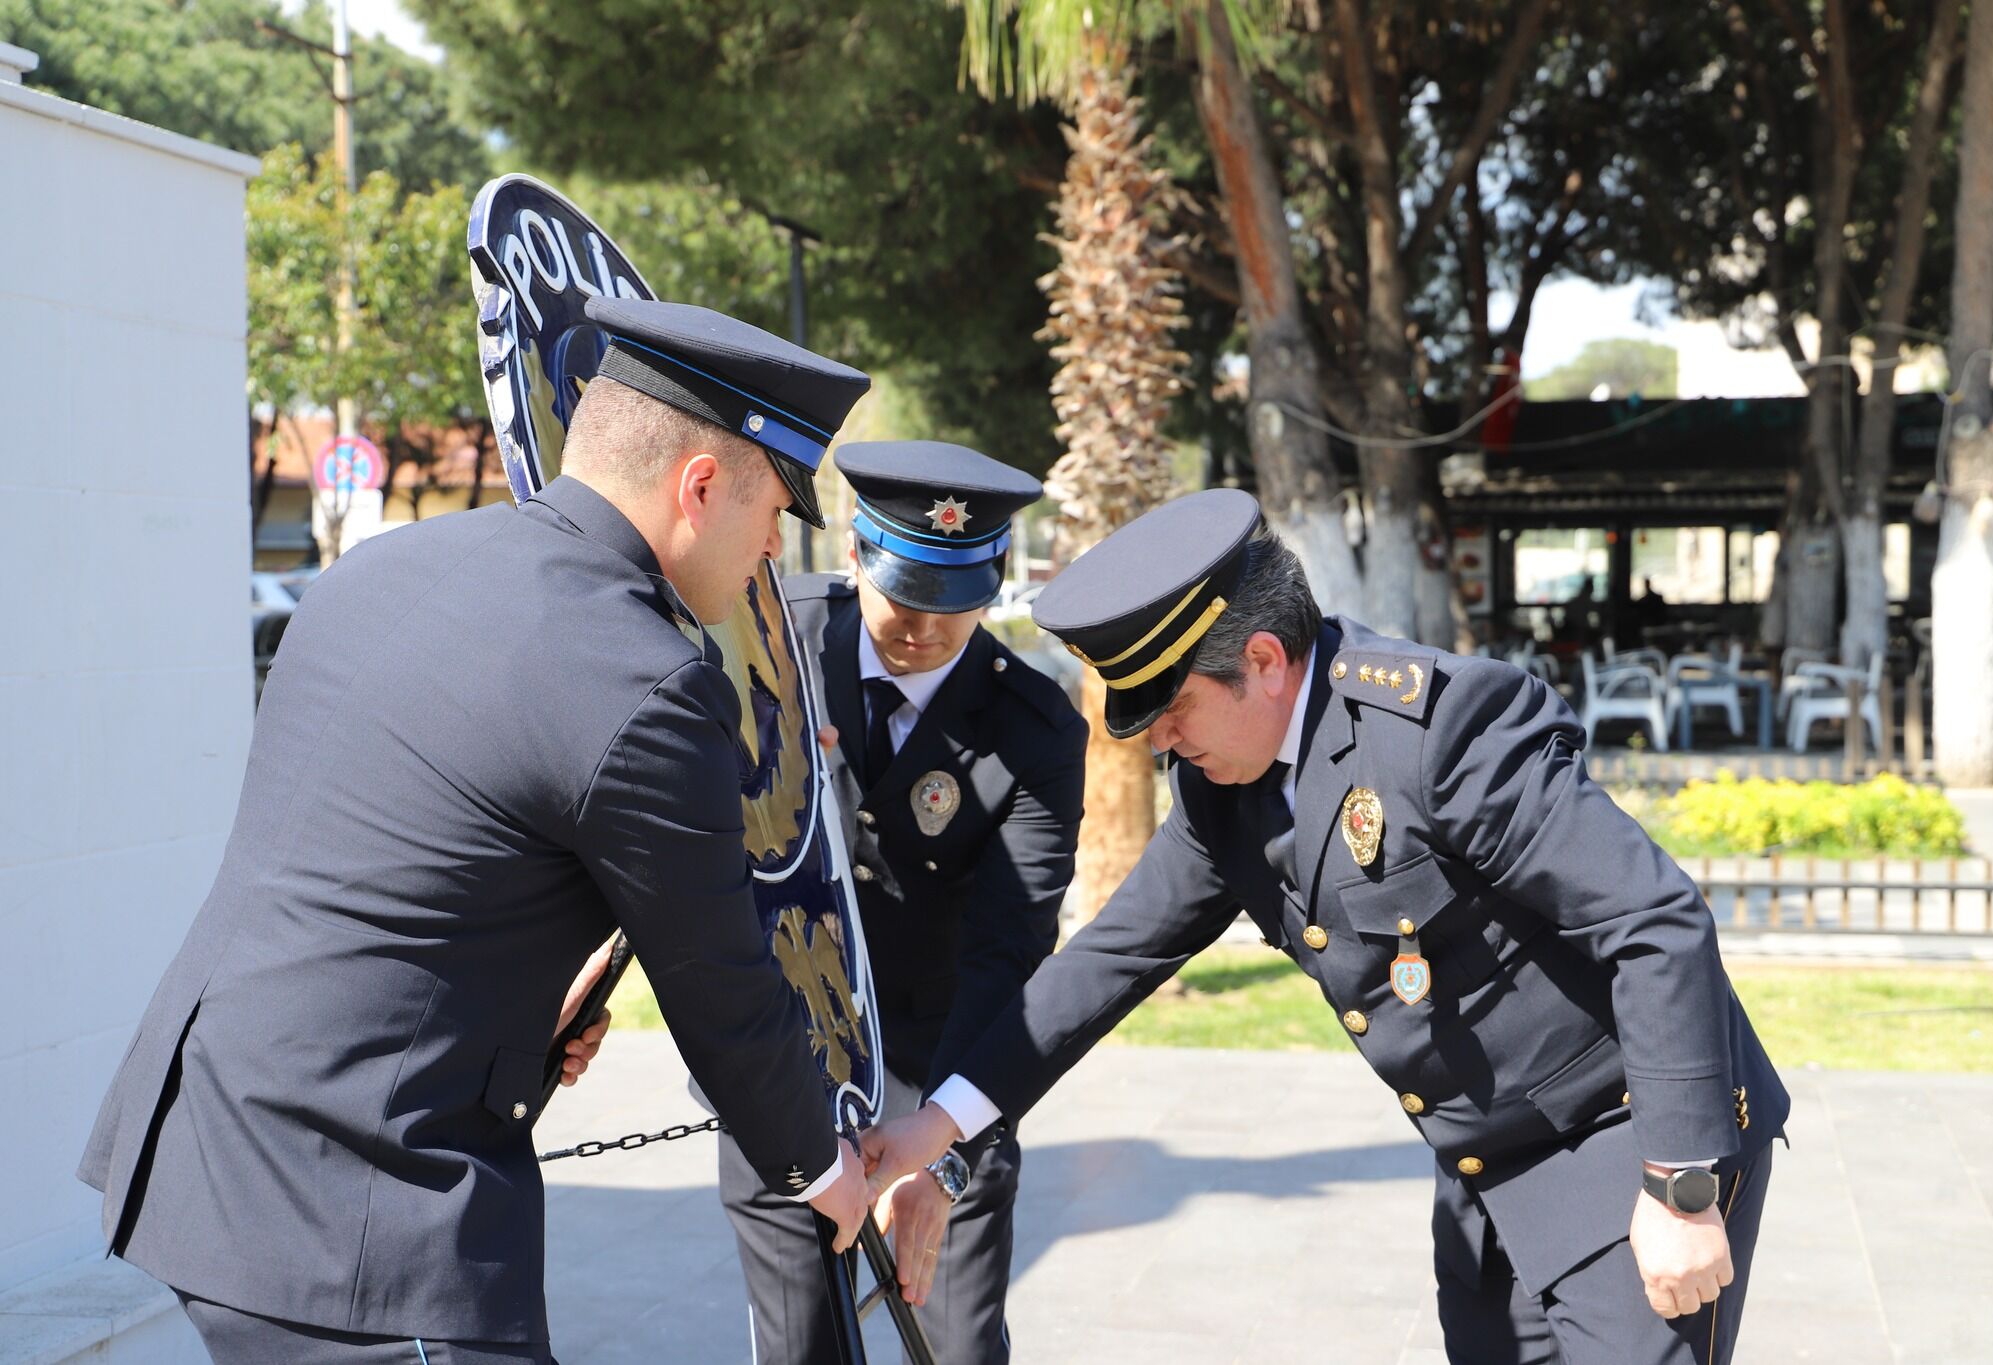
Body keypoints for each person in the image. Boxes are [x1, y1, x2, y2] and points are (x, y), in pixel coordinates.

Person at [77, 298, 875, 1364]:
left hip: (206, 1146)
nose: (774, 548)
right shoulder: (643, 679)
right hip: (355, 1217)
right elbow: (721, 987)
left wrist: (513, 1008)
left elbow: (396, 865)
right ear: (697, 488)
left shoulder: (385, 566)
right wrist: (822, 1167)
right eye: (773, 509)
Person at [865, 489, 1787, 1365]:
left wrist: (1681, 1186)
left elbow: (1655, 920)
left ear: (1265, 661)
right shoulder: (1222, 788)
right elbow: (1110, 959)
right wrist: (937, 1126)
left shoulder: (1439, 732)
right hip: (1487, 1177)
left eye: (1173, 706)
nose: (1157, 741)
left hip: (1626, 1144)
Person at [709, 440, 1086, 1364]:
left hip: (943, 1068)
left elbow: (1008, 954)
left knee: (956, 1345)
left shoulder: (1034, 728)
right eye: (905, 595)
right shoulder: (768, 638)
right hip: (782, 1055)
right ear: (854, 554)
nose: (923, 627)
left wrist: (946, 1151)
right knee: (803, 1344)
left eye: (954, 603)